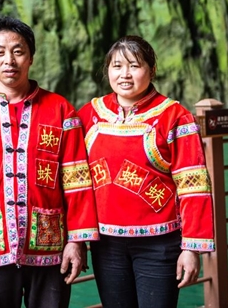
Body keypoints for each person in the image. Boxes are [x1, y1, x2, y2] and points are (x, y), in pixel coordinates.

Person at [0, 17, 99, 308]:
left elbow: (77, 182)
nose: (9, 60)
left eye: (18, 51)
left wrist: (77, 242)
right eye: (0, 52)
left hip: (50, 247)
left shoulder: (61, 111)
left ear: (30, 57)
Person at [77, 35, 215, 308]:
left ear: (151, 70)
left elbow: (194, 185)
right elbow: (74, 180)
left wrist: (191, 248)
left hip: (159, 244)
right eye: (117, 66)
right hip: (106, 244)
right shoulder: (90, 115)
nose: (124, 74)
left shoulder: (175, 116)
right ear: (107, 71)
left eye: (134, 66)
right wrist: (77, 238)